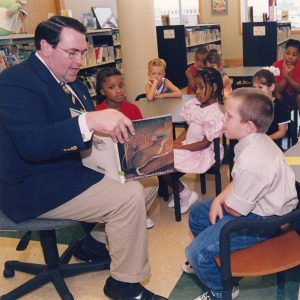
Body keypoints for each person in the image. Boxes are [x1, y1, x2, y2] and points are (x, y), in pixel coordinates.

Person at [0, 16, 166, 300]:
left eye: (82, 52)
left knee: (147, 181)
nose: (79, 60)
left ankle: (92, 244)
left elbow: (81, 129)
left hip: (68, 168)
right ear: (45, 47)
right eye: (72, 53)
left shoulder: (71, 81)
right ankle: (124, 285)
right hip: (29, 184)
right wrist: (90, 122)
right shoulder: (14, 83)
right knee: (128, 198)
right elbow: (32, 144)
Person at [184, 88, 298, 300]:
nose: (223, 119)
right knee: (199, 213)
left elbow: (235, 210)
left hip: (263, 220)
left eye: (228, 115)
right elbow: (238, 182)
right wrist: (219, 198)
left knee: (196, 253)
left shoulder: (252, 159)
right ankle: (219, 260)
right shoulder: (255, 140)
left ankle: (222, 290)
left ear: (248, 126)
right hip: (257, 205)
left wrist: (224, 203)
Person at [95, 66, 158, 229]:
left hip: (131, 158)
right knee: (121, 186)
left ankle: (139, 213)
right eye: (112, 87)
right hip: (108, 164)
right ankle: (127, 216)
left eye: (121, 85)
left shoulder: (132, 109)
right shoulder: (96, 113)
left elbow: (141, 135)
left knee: (152, 181)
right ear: (102, 91)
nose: (118, 90)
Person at [161, 67, 224, 214]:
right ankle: (184, 193)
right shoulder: (194, 104)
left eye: (201, 87)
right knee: (159, 159)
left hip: (203, 152)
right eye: (196, 88)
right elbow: (189, 129)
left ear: (214, 88)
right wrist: (176, 142)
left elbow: (205, 143)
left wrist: (179, 148)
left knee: (163, 164)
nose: (197, 92)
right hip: (189, 146)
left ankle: (184, 193)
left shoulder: (214, 113)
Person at [253, 68, 290, 149]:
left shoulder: (279, 106)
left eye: (260, 87)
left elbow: (281, 132)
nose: (256, 91)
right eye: (254, 87)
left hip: (273, 146)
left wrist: (265, 139)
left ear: (272, 87)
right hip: (256, 145)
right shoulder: (253, 105)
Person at [272, 39, 300, 110]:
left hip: (296, 95)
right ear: (284, 53)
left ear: (299, 56)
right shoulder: (276, 65)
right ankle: (282, 119)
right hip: (283, 95)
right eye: (287, 53)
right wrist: (286, 77)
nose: (290, 57)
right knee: (277, 95)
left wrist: (287, 76)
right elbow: (278, 90)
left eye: (294, 55)